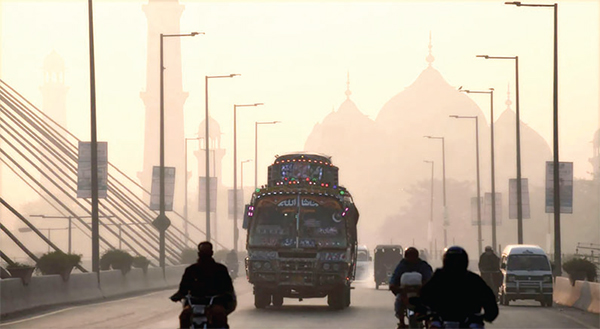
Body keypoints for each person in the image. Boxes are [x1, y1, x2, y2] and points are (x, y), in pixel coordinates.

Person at [420, 246, 499, 326]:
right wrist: (422, 308)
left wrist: (488, 314)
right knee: (434, 325)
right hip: (442, 320)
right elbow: (424, 295)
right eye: (452, 261)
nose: (455, 264)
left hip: (469, 321)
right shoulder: (439, 277)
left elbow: (488, 298)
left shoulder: (473, 279)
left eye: (458, 261)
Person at [170, 241, 236, 329]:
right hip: (194, 305)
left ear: (211, 253)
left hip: (214, 303)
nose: (204, 255)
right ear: (198, 254)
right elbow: (183, 288)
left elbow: (228, 287)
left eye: (206, 252)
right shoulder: (191, 270)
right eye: (202, 252)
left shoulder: (220, 269)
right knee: (184, 316)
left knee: (219, 316)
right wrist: (178, 295)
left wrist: (225, 296)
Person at [389, 247, 433, 328]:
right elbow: (394, 278)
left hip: (421, 293)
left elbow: (430, 278)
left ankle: (429, 323)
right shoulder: (402, 266)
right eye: (409, 256)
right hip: (405, 293)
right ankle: (401, 322)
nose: (411, 258)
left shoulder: (423, 266)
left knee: (430, 305)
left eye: (413, 255)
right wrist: (393, 286)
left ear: (417, 256)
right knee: (399, 302)